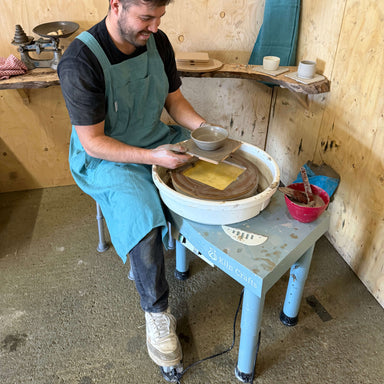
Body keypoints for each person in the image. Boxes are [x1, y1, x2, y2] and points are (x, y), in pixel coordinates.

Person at [58, 0, 210, 375]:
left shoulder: (157, 41)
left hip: (155, 138)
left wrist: (207, 132)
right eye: (146, 18)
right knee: (142, 215)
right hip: (105, 158)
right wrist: (153, 158)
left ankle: (171, 251)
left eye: (160, 17)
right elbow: (93, 142)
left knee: (209, 174)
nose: (155, 27)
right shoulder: (80, 60)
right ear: (116, 6)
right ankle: (156, 313)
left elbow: (174, 101)